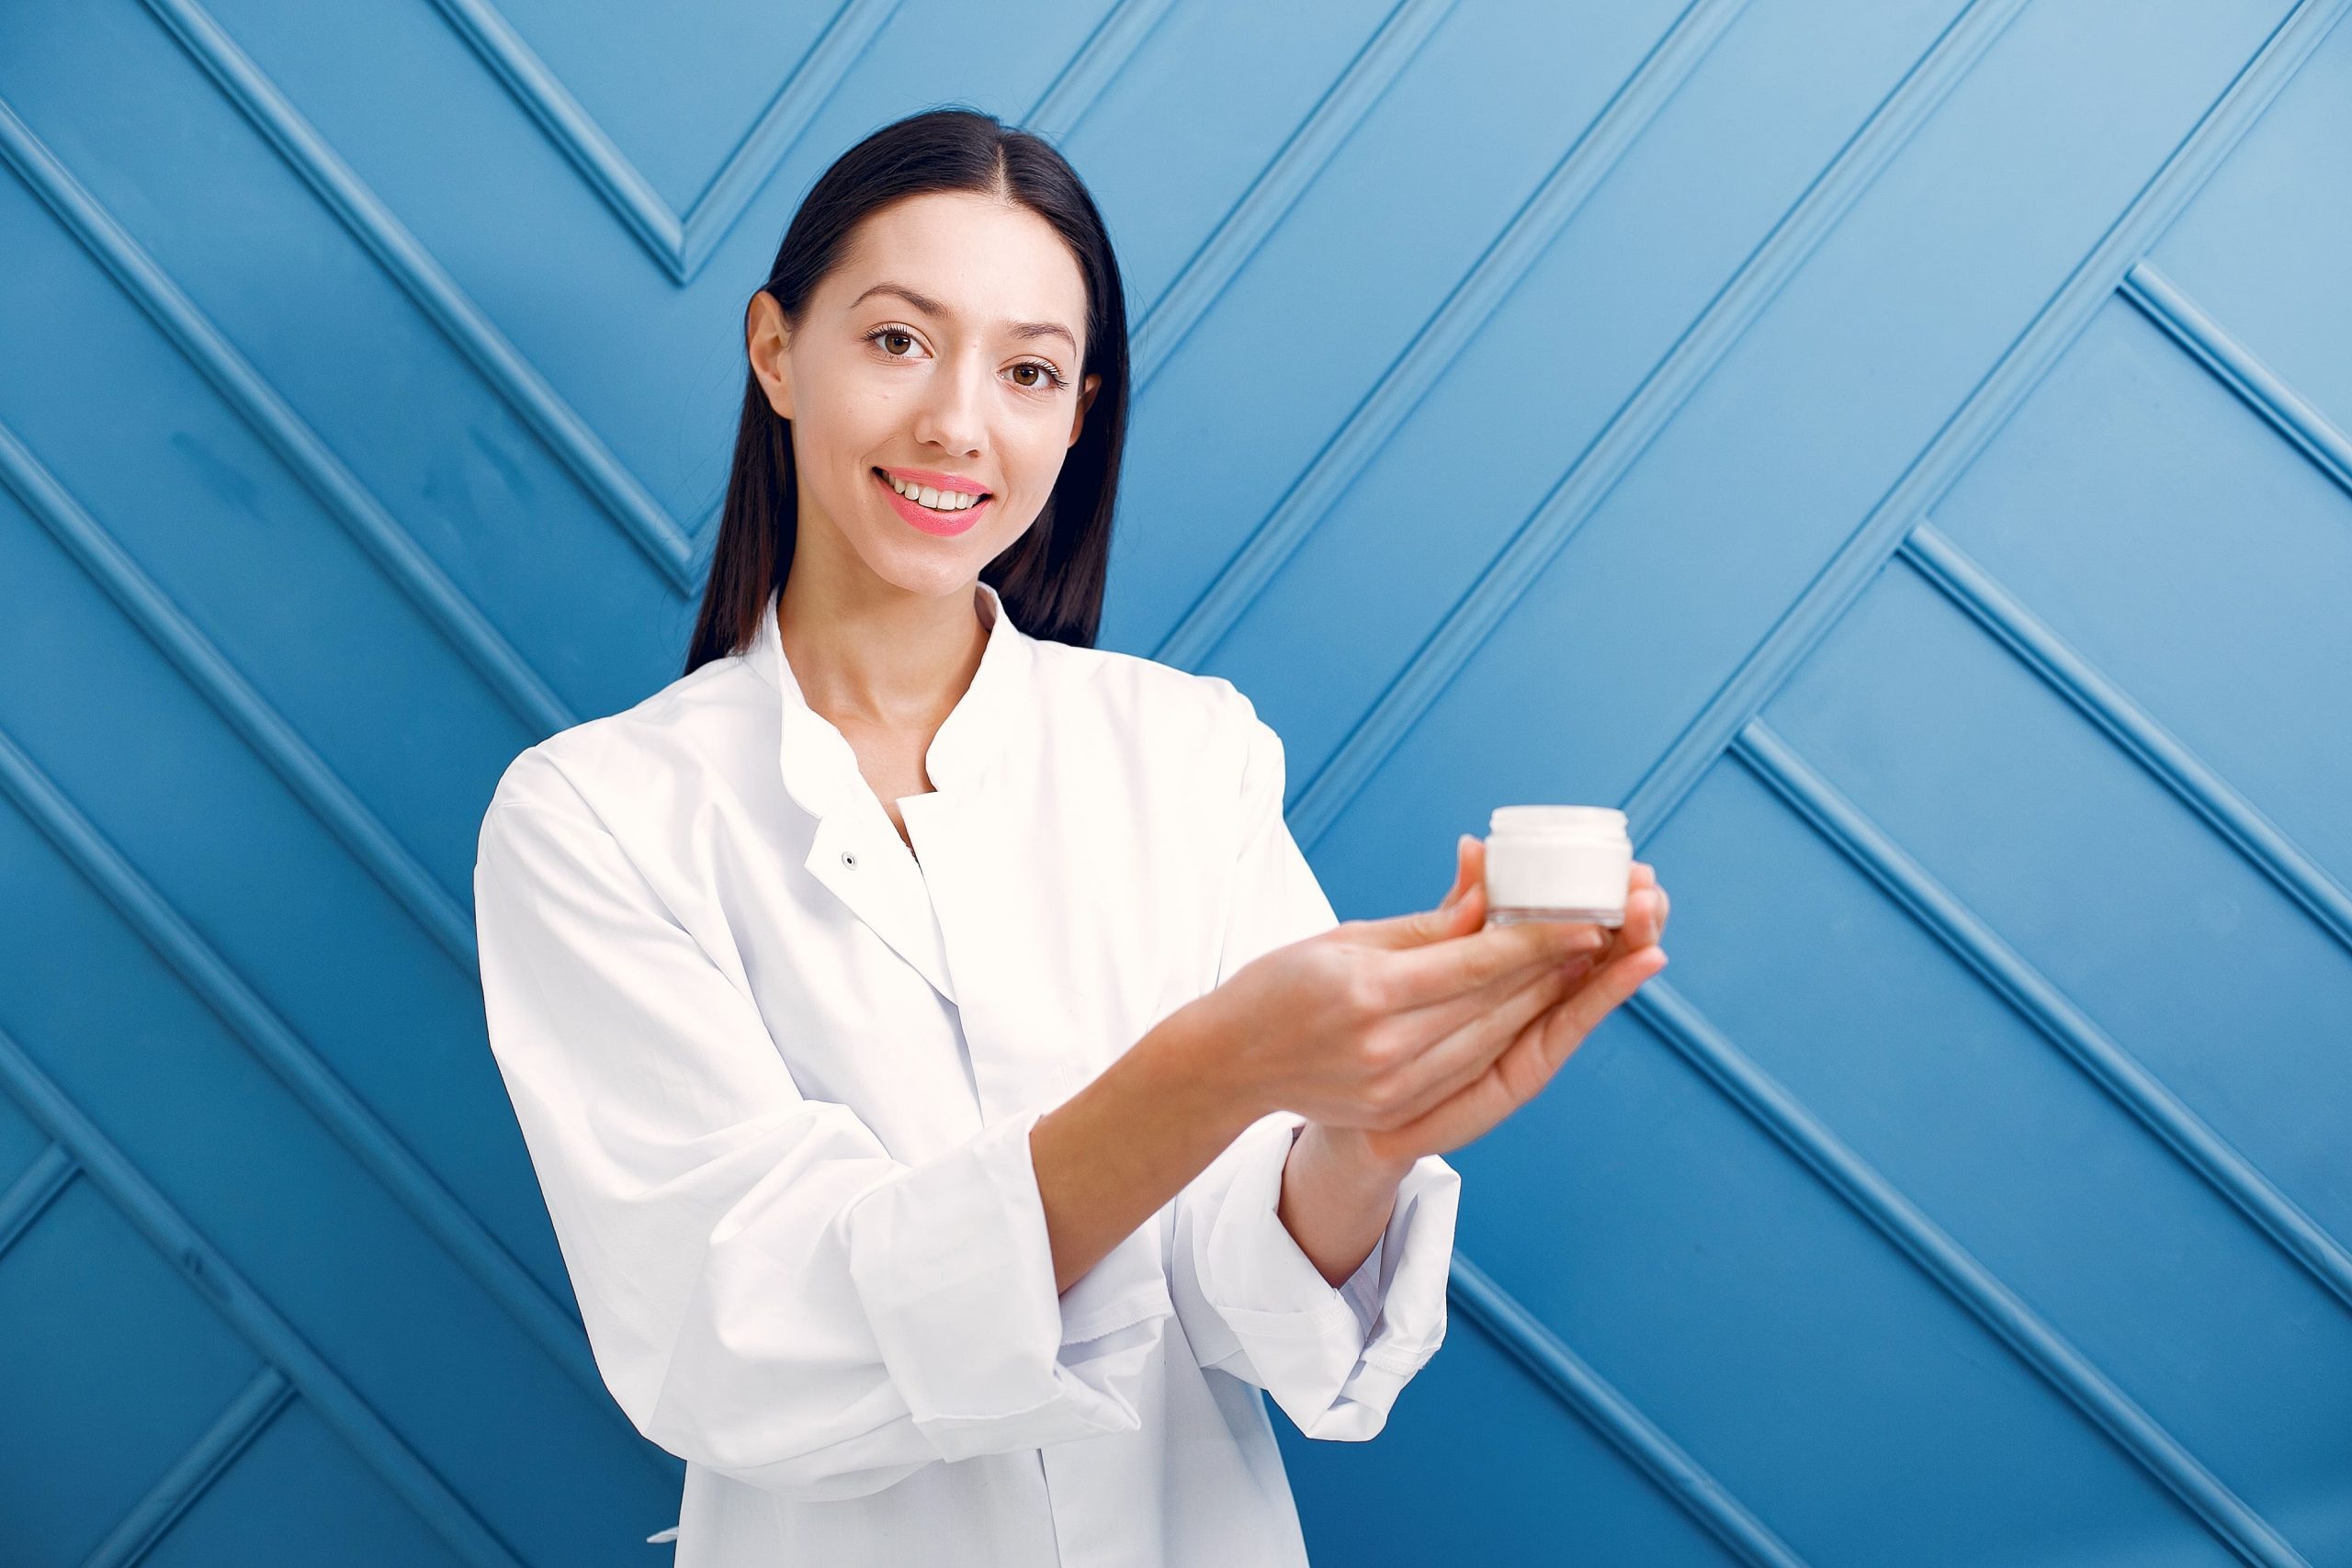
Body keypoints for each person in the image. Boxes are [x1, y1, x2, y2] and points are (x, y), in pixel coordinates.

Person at [471, 106, 1669, 1568]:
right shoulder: (596, 817)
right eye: (899, 340)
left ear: (1077, 413)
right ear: (777, 352)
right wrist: (1213, 1065)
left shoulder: (1188, 753)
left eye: (1028, 370)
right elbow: (738, 1337)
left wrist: (1364, 1137)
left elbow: (1240, 1296)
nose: (958, 424)